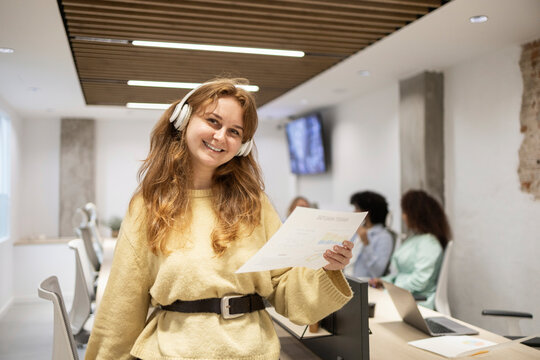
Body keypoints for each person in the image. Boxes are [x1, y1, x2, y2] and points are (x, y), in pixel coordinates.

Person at [85, 78, 354, 360]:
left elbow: (286, 292)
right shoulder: (148, 206)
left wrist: (326, 268)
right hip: (173, 353)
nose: (221, 137)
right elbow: (121, 306)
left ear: (243, 145)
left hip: (254, 352)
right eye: (213, 121)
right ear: (183, 119)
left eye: (234, 131)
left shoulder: (254, 204)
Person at [369, 189, 451, 309]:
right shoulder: (416, 238)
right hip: (404, 296)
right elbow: (403, 274)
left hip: (418, 303)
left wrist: (389, 291)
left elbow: (419, 280)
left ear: (416, 214)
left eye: (405, 212)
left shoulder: (429, 243)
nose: (403, 216)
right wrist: (384, 282)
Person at [345, 191, 394, 278]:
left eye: (357, 208)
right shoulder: (356, 230)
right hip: (345, 280)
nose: (354, 212)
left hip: (364, 285)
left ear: (367, 212)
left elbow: (377, 272)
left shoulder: (384, 237)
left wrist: (366, 243)